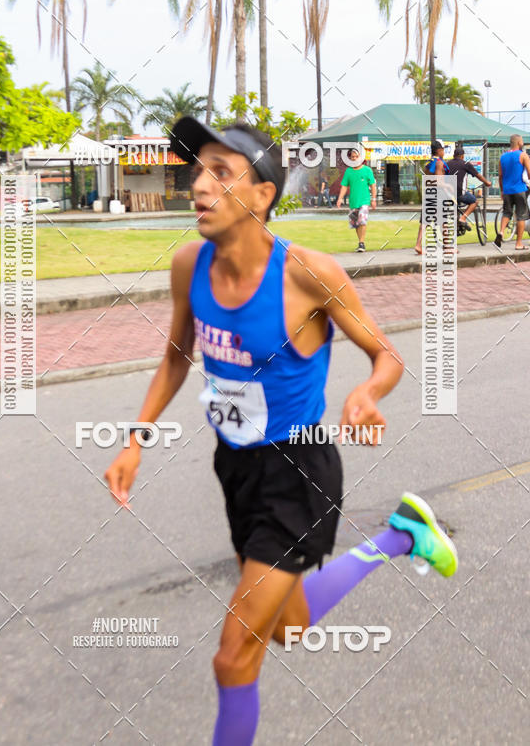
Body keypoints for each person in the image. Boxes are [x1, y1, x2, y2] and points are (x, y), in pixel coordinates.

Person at [104, 117, 458, 746]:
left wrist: (366, 392)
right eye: (196, 170)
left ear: (263, 194)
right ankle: (401, 537)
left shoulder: (307, 274)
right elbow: (174, 356)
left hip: (299, 472)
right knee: (289, 625)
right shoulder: (190, 265)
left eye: (220, 172)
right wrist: (135, 439)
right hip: (236, 467)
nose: (198, 186)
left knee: (233, 654)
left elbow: (388, 356)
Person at [336, 148, 376, 252]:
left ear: (360, 157)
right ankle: (360, 243)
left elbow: (373, 185)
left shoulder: (367, 170)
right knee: (356, 224)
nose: (354, 158)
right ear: (350, 158)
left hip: (364, 200)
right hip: (353, 201)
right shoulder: (348, 171)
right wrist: (340, 199)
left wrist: (374, 199)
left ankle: (361, 243)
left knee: (362, 221)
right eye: (352, 157)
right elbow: (344, 186)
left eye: (356, 156)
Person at [414, 140, 450, 254]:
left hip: (429, 193)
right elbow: (439, 182)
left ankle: (418, 245)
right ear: (439, 150)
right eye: (443, 149)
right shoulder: (439, 162)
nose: (444, 152)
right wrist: (449, 186)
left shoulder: (428, 163)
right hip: (439, 194)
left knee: (425, 221)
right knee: (443, 221)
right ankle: (447, 247)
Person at [495, 134, 530, 250]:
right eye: (522, 141)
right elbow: (529, 172)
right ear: (519, 142)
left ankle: (501, 232)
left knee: (506, 213)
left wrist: (502, 190)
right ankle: (518, 243)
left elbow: (500, 176)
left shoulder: (502, 157)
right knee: (521, 216)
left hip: (507, 191)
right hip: (520, 190)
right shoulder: (523, 155)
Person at [448, 145, 491, 229]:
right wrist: (487, 182)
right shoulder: (465, 164)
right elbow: (478, 175)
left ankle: (457, 225)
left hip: (447, 193)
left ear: (454, 155)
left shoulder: (447, 163)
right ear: (462, 156)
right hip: (460, 193)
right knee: (474, 202)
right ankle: (463, 218)